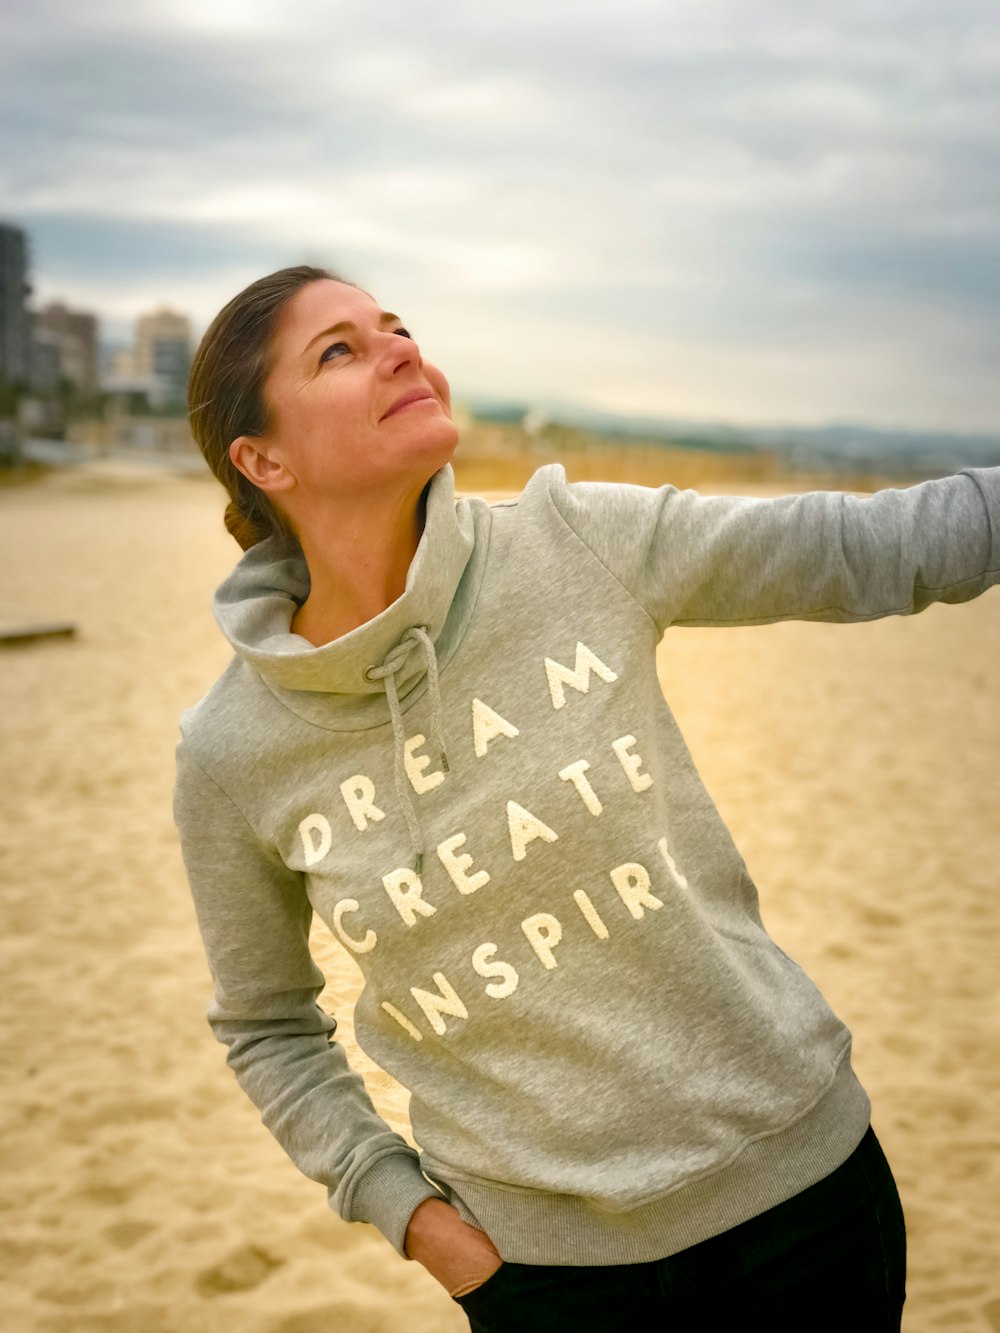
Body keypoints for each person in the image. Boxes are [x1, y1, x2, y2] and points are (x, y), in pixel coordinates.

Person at [174, 263, 998, 1332]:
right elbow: (268, 1023)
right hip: (545, 1280)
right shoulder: (232, 749)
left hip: (803, 1209)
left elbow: (877, 549)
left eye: (397, 328)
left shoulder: (580, 544)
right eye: (338, 349)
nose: (399, 350)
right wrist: (418, 1220)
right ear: (261, 457)